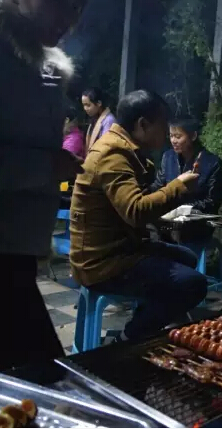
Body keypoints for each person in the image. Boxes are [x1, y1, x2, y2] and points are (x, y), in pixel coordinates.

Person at [70, 90, 207, 342]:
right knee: (193, 283)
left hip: (123, 248)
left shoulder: (127, 150)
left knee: (186, 257)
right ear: (143, 124)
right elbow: (135, 211)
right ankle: (127, 338)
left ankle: (148, 321)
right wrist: (178, 187)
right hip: (103, 262)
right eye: (163, 126)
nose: (167, 134)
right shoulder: (112, 154)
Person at [0, 0, 87, 370]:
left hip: (16, 252)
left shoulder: (40, 63)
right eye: (59, 4)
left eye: (78, 8)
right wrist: (47, 166)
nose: (69, 19)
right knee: (47, 375)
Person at [151, 116, 222, 214]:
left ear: (193, 136)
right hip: (169, 217)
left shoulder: (212, 163)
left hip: (197, 219)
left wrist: (181, 208)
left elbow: (212, 202)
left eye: (178, 137)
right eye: (171, 136)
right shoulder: (168, 157)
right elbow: (158, 186)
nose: (173, 140)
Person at [82, 86, 116, 151]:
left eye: (88, 105)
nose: (85, 108)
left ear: (99, 103)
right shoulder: (94, 119)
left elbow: (105, 147)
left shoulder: (109, 120)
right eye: (83, 105)